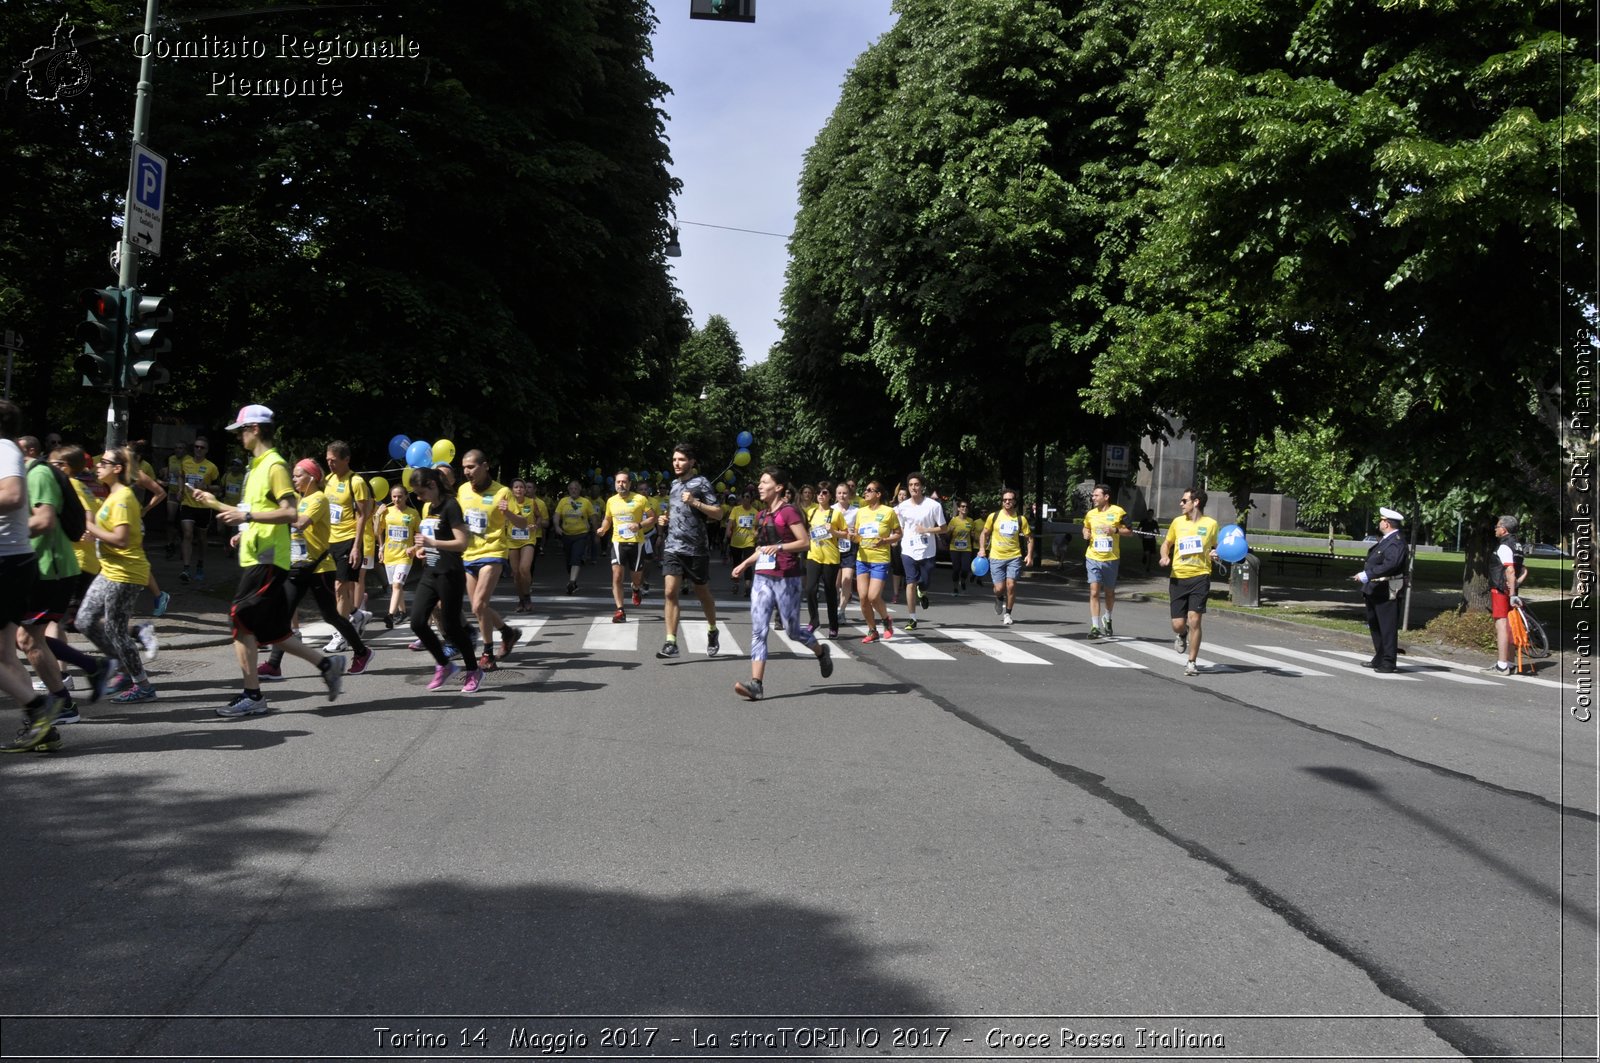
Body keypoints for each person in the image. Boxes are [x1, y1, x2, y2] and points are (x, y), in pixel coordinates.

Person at [191, 404, 345, 716]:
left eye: (242, 431)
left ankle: (253, 695)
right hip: (256, 555)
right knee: (274, 631)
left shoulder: (274, 465)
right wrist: (216, 503)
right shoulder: (257, 466)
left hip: (269, 558)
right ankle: (328, 664)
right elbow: (253, 513)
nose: (239, 437)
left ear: (256, 429)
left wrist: (245, 515)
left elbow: (290, 512)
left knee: (239, 617)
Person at [257, 459, 374, 680]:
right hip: (299, 566)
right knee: (283, 614)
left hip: (319, 568)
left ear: (312, 478)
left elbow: (301, 523)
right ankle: (274, 665)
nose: (293, 480)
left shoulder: (319, 499)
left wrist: (275, 517)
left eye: (298, 476)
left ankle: (362, 652)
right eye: (292, 476)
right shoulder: (299, 498)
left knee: (331, 616)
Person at [730, 466, 832, 700]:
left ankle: (820, 652)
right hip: (763, 579)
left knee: (792, 631)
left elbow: (805, 542)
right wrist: (745, 564)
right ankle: (756, 684)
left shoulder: (789, 512)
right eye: (759, 481)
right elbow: (762, 549)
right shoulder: (762, 514)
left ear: (778, 487)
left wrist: (780, 547)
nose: (759, 485)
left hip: (787, 579)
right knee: (759, 631)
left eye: (764, 482)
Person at [0, 406, 68, 753]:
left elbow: (12, 497)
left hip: (6, 563)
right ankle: (43, 729)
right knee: (7, 656)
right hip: (12, 561)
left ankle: (40, 710)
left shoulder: (3, 449)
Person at [76, 447, 158, 703]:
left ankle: (142, 685)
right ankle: (116, 665)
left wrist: (90, 527)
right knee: (85, 620)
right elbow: (110, 534)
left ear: (118, 469)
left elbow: (121, 540)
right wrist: (93, 533)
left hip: (125, 573)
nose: (98, 465)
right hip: (110, 570)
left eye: (105, 463)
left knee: (115, 630)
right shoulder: (113, 496)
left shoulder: (123, 497)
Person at [408, 466, 481, 691]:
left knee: (452, 627)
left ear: (432, 485)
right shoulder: (429, 506)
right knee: (417, 622)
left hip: (450, 573)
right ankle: (444, 664)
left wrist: (433, 544)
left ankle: (473, 670)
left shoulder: (451, 506)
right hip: (430, 571)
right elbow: (432, 538)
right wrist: (419, 548)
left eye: (420, 493)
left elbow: (461, 543)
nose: (419, 498)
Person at [656, 444, 724, 659]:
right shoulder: (674, 485)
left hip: (696, 548)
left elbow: (718, 514)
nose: (677, 463)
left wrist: (695, 502)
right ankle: (671, 642)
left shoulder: (702, 483)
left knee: (702, 593)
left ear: (692, 462)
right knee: (669, 592)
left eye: (681, 459)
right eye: (674, 459)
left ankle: (713, 630)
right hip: (673, 546)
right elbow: (676, 511)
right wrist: (664, 520)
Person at [1161, 488, 1220, 676]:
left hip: (1200, 576)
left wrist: (1216, 554)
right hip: (1178, 577)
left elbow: (1217, 548)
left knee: (1195, 620)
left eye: (1184, 500)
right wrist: (1164, 556)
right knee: (1178, 624)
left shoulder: (1211, 524)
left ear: (1196, 502)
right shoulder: (1177, 523)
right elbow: (1166, 544)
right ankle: (1182, 633)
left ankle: (1192, 662)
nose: (1181, 503)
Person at [322, 441, 373, 650]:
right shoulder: (328, 480)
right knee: (332, 588)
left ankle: (341, 634)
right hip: (329, 540)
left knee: (340, 587)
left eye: (334, 461)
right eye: (327, 460)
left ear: (346, 460)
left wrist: (356, 546)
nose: (330, 464)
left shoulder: (356, 481)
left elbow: (363, 515)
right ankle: (357, 614)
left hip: (348, 538)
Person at [594, 470, 656, 623]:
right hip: (618, 541)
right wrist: (603, 529)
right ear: (615, 484)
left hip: (636, 542)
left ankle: (635, 589)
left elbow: (653, 518)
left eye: (623, 482)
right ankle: (620, 610)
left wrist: (639, 525)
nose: (621, 484)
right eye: (618, 482)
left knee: (636, 578)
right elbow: (607, 519)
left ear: (629, 484)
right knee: (617, 576)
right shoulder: (611, 501)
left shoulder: (640, 499)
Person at [893, 472, 947, 631]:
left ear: (922, 487)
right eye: (910, 485)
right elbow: (900, 527)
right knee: (910, 582)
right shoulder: (902, 507)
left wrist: (926, 529)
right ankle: (912, 618)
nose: (913, 488)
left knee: (925, 581)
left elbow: (944, 528)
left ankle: (922, 592)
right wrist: (895, 539)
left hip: (927, 551)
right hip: (908, 550)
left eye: (916, 484)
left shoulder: (933, 505)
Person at [849, 480, 901, 643]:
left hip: (880, 559)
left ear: (878, 494)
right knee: (863, 597)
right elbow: (857, 536)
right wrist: (852, 537)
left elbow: (898, 534)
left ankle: (886, 619)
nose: (866, 492)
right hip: (862, 559)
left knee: (873, 596)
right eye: (865, 490)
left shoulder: (888, 512)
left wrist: (885, 541)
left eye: (869, 490)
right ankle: (872, 630)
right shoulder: (861, 512)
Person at [1082, 483, 1132, 638]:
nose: (1093, 498)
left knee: (1109, 593)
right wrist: (1085, 533)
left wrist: (1115, 530)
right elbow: (1085, 527)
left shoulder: (1118, 512)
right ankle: (1095, 626)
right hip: (1092, 556)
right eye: (1093, 495)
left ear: (1106, 497)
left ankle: (1107, 618)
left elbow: (1130, 531)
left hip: (1111, 558)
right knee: (1094, 591)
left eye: (1096, 495)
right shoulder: (1091, 514)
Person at [978, 489, 1034, 626]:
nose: (1007, 502)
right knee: (999, 588)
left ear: (1015, 501)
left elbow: (1029, 538)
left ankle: (1008, 613)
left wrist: (1029, 555)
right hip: (996, 557)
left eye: (1010, 499)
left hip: (1014, 556)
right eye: (1005, 500)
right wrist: (981, 549)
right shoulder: (994, 516)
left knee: (1011, 585)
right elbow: (984, 533)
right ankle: (998, 598)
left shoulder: (1021, 519)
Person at [1486, 514, 1529, 675]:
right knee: (1511, 626)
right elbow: (1523, 570)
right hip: (1512, 591)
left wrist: (1510, 593)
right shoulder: (1517, 546)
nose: (1495, 529)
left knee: (1502, 626)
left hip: (1501, 591)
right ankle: (1510, 663)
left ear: (1503, 529)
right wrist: (1515, 587)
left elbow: (1509, 570)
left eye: (1497, 526)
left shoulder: (1504, 546)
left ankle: (1502, 665)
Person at [802, 484, 845, 637]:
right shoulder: (811, 512)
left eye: (824, 492)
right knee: (810, 589)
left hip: (830, 558)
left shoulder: (836, 514)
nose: (821, 495)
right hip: (813, 555)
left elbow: (845, 534)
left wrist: (833, 531)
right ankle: (814, 621)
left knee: (829, 592)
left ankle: (833, 625)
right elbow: (805, 530)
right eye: (818, 492)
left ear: (830, 496)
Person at [177, 436, 219, 583]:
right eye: (196, 447)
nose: (198, 450)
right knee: (187, 534)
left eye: (202, 447)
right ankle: (186, 568)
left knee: (201, 538)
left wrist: (206, 487)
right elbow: (181, 476)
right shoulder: (186, 462)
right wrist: (181, 489)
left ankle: (200, 565)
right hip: (187, 504)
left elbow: (218, 487)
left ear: (206, 450)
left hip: (204, 506)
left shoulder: (211, 467)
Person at [376, 483, 419, 625]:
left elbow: (420, 534)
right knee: (397, 586)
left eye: (400, 496)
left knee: (397, 585)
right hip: (390, 555)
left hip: (405, 557)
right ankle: (403, 612)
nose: (397, 499)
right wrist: (377, 515)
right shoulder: (387, 512)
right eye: (394, 496)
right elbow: (377, 532)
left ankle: (390, 614)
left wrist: (414, 547)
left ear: (406, 496)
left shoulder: (413, 513)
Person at [556, 480, 597, 595]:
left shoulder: (586, 502)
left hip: (581, 535)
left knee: (576, 557)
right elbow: (556, 515)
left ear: (580, 490)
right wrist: (556, 526)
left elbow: (593, 517)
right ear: (568, 490)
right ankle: (573, 579)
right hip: (566, 535)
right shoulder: (563, 501)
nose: (574, 490)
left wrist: (596, 532)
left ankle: (572, 582)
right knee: (569, 561)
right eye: (571, 488)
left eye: (576, 488)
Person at [726, 487, 760, 597]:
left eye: (747, 497)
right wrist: (728, 530)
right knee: (736, 564)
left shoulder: (755, 512)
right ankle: (736, 583)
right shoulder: (736, 509)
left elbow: (757, 527)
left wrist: (756, 534)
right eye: (744, 497)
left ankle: (747, 586)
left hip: (749, 542)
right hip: (736, 542)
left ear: (751, 499)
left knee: (748, 564)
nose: (745, 499)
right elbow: (730, 522)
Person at [946, 500, 975, 593]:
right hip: (954, 548)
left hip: (967, 548)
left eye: (966, 507)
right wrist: (950, 530)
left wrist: (974, 535)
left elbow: (972, 534)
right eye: (962, 506)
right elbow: (947, 535)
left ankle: (962, 581)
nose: (964, 508)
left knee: (965, 568)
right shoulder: (954, 520)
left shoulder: (970, 521)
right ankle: (955, 587)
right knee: (956, 569)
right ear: (958, 508)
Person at [1138, 508, 1159, 573]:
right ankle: (1144, 556)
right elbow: (1138, 529)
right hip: (1145, 539)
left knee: (1151, 555)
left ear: (1153, 514)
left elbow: (1158, 532)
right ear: (1147, 514)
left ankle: (1148, 567)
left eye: (1151, 514)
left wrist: (1155, 533)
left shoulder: (1154, 522)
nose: (1150, 515)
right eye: (1149, 514)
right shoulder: (1143, 521)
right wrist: (1140, 535)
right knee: (1147, 552)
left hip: (1152, 540)